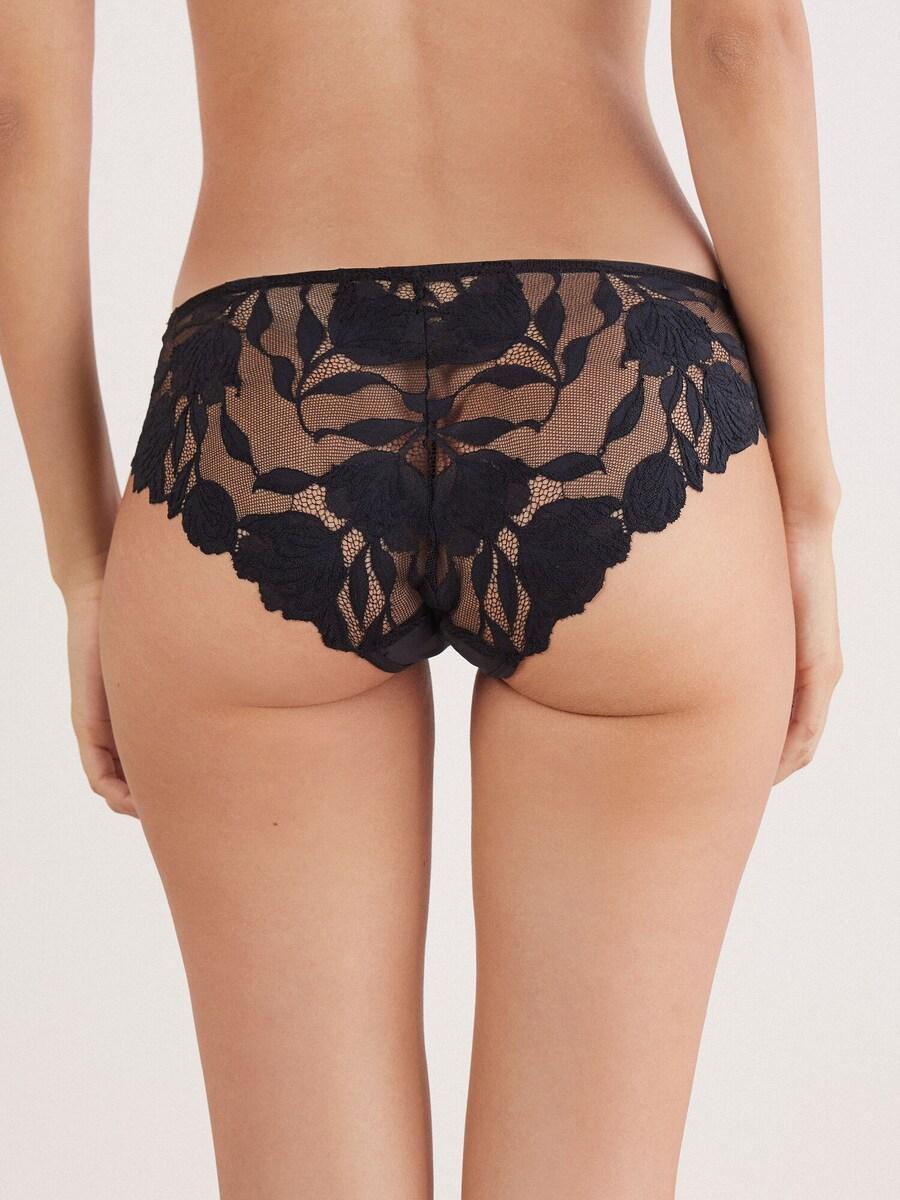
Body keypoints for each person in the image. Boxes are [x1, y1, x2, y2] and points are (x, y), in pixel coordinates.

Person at [0, 1, 842, 1196]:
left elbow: (17, 111)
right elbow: (741, 40)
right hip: (613, 367)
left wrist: (84, 564)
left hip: (263, 387)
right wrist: (805, 505)